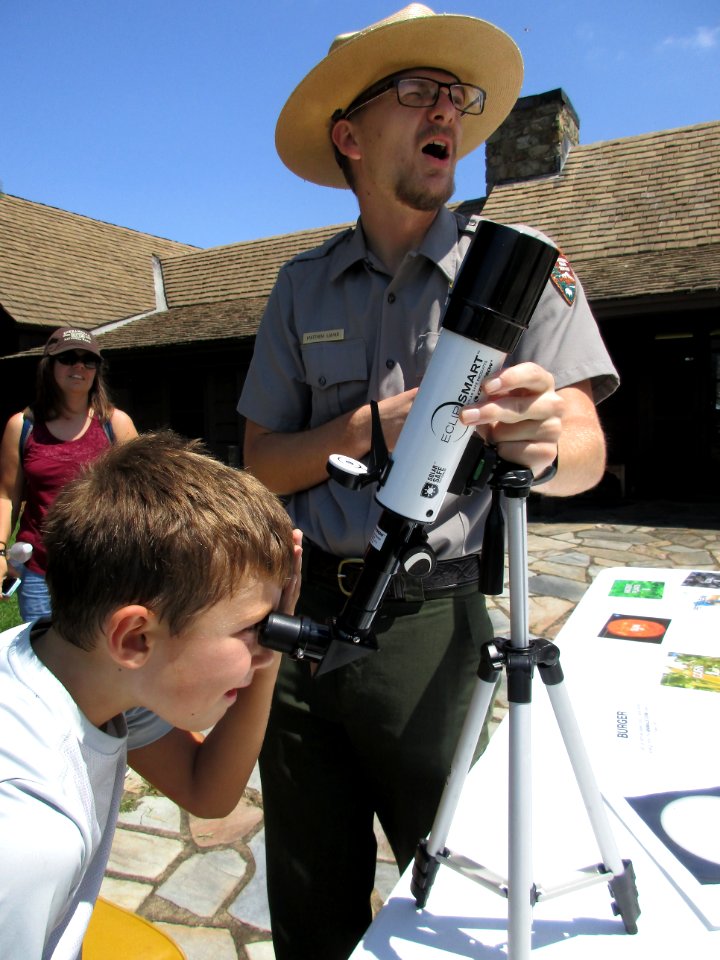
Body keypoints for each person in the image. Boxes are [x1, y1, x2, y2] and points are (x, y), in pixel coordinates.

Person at [237, 6, 619, 959]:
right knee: (310, 903)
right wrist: (371, 426)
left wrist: (541, 439)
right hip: (303, 630)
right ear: (351, 135)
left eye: (456, 95)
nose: (445, 107)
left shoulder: (519, 269)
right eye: (416, 90)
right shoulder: (302, 286)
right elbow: (259, 463)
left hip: (434, 635)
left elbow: (586, 449)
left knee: (450, 909)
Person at [0, 431, 302, 960]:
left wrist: (267, 648)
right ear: (136, 637)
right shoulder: (27, 830)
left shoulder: (78, 674)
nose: (267, 648)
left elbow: (206, 792)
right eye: (255, 629)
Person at [0, 326, 137, 623]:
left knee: (99, 662)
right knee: (42, 663)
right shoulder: (21, 426)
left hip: (103, 570)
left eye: (88, 361)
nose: (79, 366)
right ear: (49, 366)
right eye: (68, 358)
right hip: (40, 572)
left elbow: (141, 494)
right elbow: (7, 496)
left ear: (97, 371)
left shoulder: (116, 424)